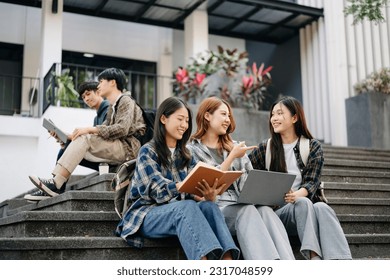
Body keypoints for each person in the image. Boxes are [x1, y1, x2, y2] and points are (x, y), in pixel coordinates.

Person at [115, 96, 240, 260]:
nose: (184, 125)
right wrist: (182, 186)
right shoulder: (148, 151)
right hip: (146, 214)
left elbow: (192, 191)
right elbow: (156, 190)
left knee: (210, 207)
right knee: (186, 207)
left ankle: (227, 263)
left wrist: (206, 195)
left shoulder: (186, 155)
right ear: (164, 119)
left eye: (187, 121)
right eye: (180, 119)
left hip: (177, 211)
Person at [188, 97, 295, 260]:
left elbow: (249, 184)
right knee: (247, 210)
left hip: (241, 203)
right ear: (207, 116)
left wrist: (269, 194)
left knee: (265, 211)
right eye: (223, 114)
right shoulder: (191, 150)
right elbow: (199, 186)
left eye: (229, 116)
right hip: (216, 209)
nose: (227, 120)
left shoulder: (235, 147)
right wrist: (231, 157)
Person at [248, 96, 352, 260]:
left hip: (305, 207)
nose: (274, 118)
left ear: (295, 117)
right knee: (303, 203)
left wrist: (296, 195)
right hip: (278, 215)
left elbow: (312, 181)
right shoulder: (265, 148)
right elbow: (247, 174)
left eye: (280, 113)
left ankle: (340, 260)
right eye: (273, 114)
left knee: (322, 208)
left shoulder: (312, 146)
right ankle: (313, 256)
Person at [28, 68, 146, 198]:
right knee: (79, 141)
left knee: (84, 137)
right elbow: (103, 132)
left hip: (128, 149)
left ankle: (56, 184)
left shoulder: (126, 100)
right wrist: (69, 137)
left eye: (101, 81)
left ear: (112, 82)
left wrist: (89, 129)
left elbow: (122, 129)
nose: (99, 85)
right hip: (118, 147)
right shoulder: (113, 107)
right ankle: (55, 186)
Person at [24, 81, 110, 201]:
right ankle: (54, 187)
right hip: (101, 155)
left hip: (110, 157)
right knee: (65, 147)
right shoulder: (97, 117)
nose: (86, 99)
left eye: (88, 94)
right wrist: (63, 139)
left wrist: (69, 137)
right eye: (83, 97)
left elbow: (102, 137)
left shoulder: (109, 108)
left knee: (71, 144)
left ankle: (55, 187)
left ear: (98, 92)